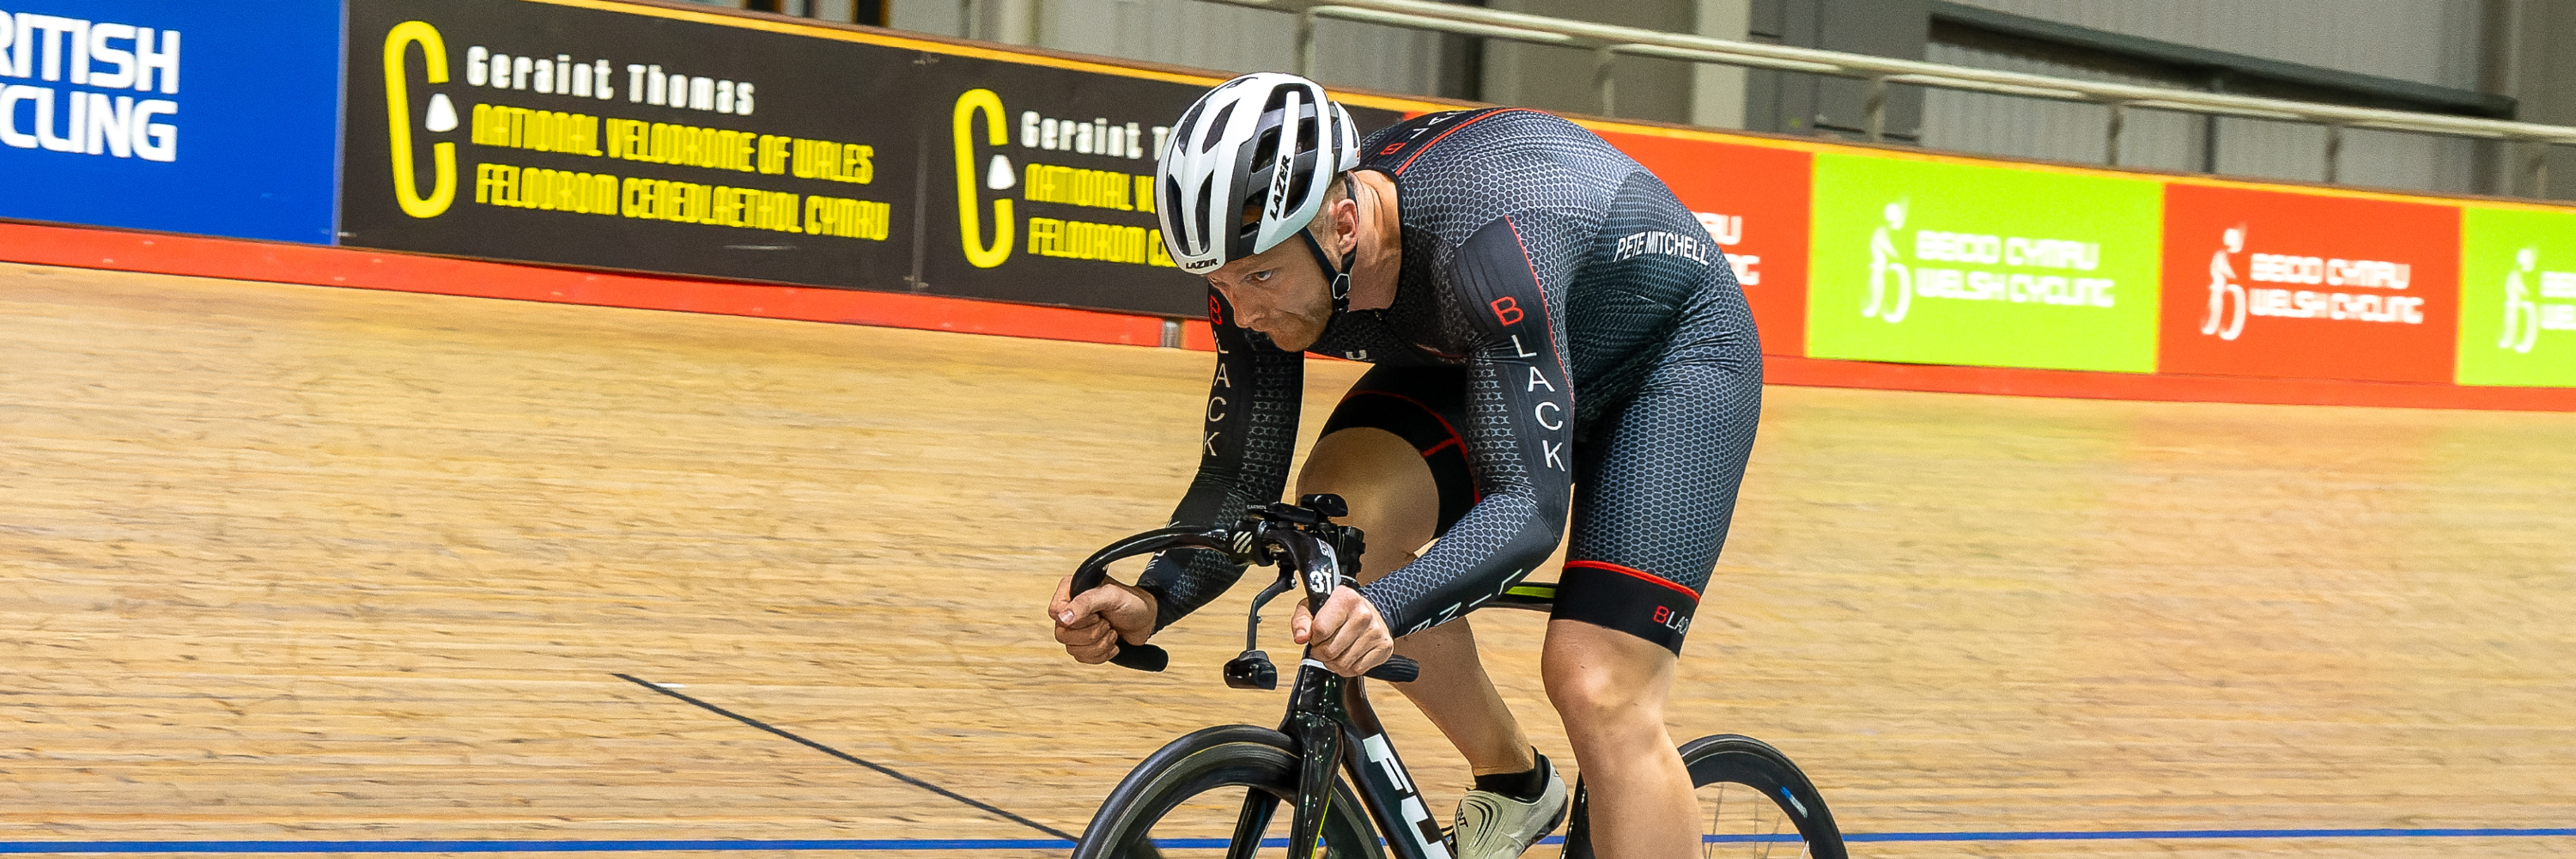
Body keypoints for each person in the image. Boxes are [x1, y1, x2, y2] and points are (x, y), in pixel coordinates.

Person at [1049, 72, 1763, 859]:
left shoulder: (1483, 241)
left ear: (1344, 223)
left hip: (1668, 363)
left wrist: (1387, 608)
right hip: (1487, 351)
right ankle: (1515, 781)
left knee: (1597, 686)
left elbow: (1529, 507)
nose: (1243, 311)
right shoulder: (1265, 268)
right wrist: (1153, 598)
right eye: (1219, 283)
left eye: (1260, 277)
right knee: (1338, 520)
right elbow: (1238, 480)